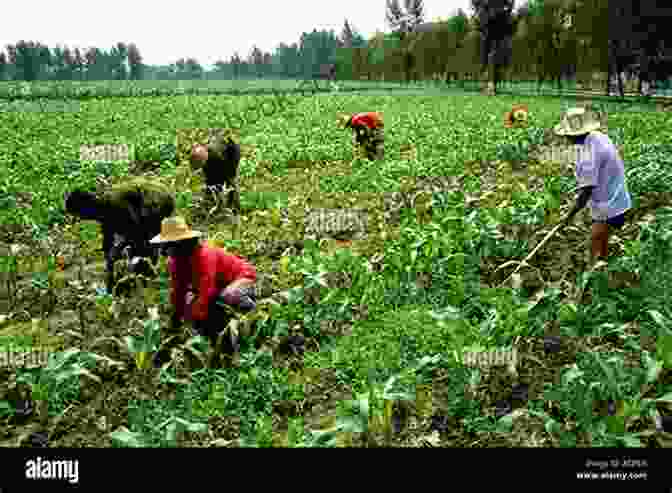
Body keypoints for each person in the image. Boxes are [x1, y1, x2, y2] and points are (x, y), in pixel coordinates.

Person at [149, 216, 256, 357]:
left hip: (242, 278)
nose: (165, 251)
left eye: (168, 246)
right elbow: (178, 291)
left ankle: (253, 313)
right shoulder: (175, 262)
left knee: (227, 296)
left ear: (181, 243)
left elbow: (207, 290)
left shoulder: (205, 255)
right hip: (218, 286)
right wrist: (175, 321)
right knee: (190, 301)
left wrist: (195, 322)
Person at [555, 107, 633, 262]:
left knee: (596, 239)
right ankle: (602, 262)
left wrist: (569, 216)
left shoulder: (586, 157)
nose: (565, 139)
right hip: (616, 191)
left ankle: (595, 272)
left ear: (571, 135)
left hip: (609, 202)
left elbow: (586, 191)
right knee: (602, 236)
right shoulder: (597, 136)